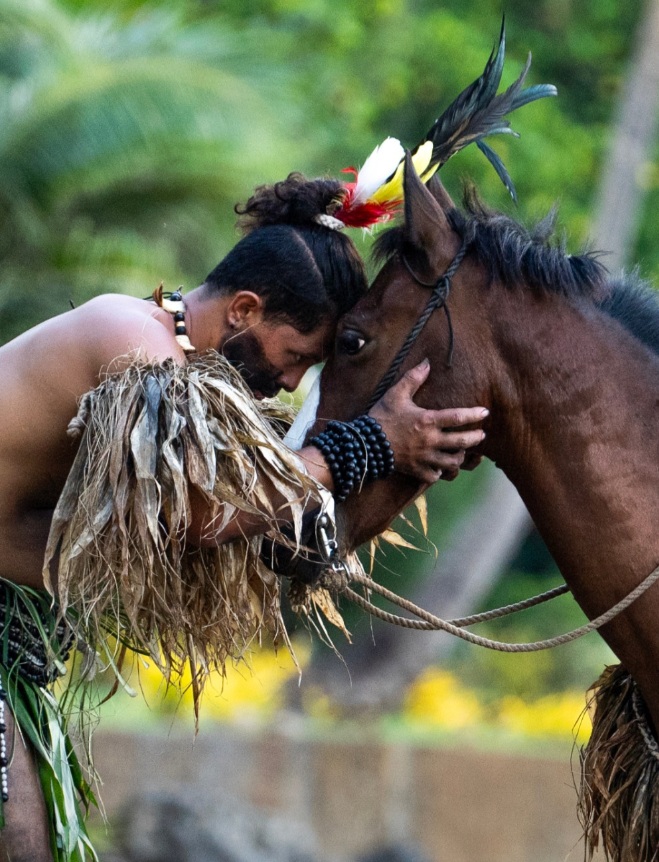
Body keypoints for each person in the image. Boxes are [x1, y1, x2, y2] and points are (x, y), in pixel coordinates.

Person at [0, 172, 487, 862]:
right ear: (244, 309)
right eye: (295, 357)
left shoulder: (176, 374)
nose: (290, 383)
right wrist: (367, 442)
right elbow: (198, 513)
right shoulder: (129, 338)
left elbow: (241, 515)